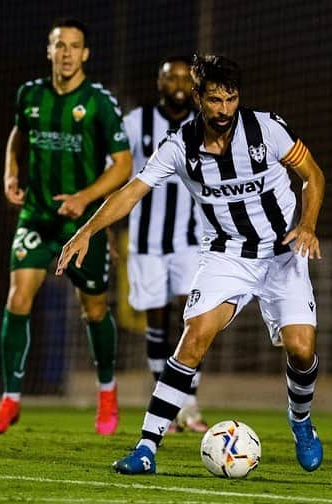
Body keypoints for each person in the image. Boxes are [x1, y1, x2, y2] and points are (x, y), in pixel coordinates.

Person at [57, 54, 326, 474]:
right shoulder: (180, 145)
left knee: (301, 349)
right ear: (199, 97)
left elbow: (313, 175)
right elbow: (132, 191)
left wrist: (308, 224)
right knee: (194, 335)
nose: (224, 110)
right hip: (226, 255)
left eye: (231, 99)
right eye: (215, 100)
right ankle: (146, 447)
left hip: (282, 254)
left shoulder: (267, 129)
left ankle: (301, 421)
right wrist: (87, 230)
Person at [0, 18, 132, 436]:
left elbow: (123, 165)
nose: (66, 53)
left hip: (84, 225)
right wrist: (10, 173)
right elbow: (17, 135)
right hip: (37, 216)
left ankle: (107, 391)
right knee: (18, 298)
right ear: (49, 51)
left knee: (95, 310)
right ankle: (10, 399)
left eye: (74, 46)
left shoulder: (100, 103)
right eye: (59, 46)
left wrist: (85, 198)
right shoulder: (29, 94)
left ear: (85, 54)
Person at [122, 56, 208, 433]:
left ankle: (188, 403)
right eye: (168, 75)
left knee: (196, 318)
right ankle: (167, 403)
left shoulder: (207, 122)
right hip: (146, 242)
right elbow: (118, 176)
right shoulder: (135, 123)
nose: (175, 82)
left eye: (182, 77)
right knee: (156, 321)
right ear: (158, 82)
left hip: (193, 241)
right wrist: (108, 230)